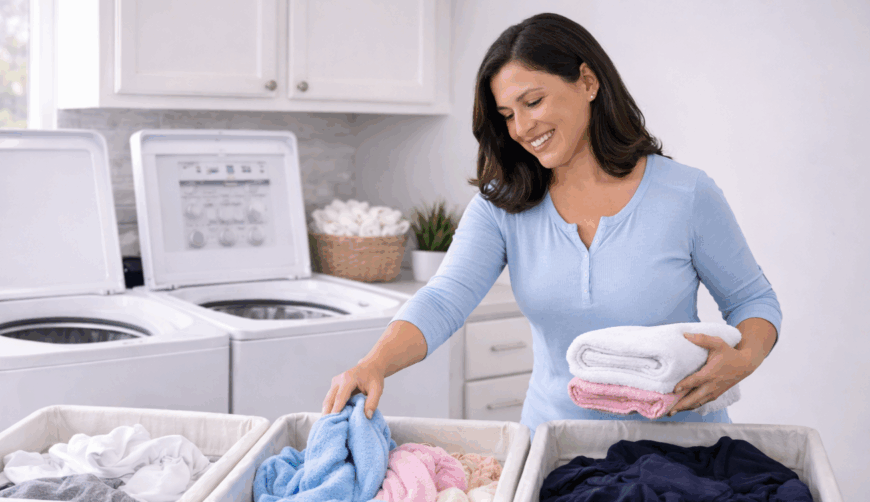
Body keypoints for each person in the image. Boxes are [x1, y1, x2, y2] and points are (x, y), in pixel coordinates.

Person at [322, 13, 780, 433]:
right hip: (556, 449)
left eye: (533, 101)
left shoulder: (686, 194)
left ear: (587, 81)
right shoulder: (503, 206)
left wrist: (745, 358)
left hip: (685, 450)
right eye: (507, 115)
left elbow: (753, 300)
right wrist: (374, 364)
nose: (520, 128)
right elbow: (444, 300)